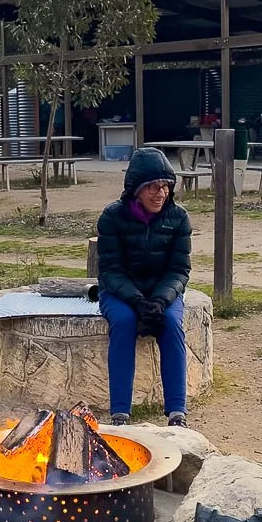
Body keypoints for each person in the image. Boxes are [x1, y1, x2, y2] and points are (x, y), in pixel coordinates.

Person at [96, 147, 192, 428]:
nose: (160, 193)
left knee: (171, 323)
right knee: (124, 322)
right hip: (121, 292)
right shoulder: (112, 217)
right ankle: (120, 414)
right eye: (152, 187)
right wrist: (137, 301)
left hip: (163, 291)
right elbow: (110, 271)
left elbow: (179, 270)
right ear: (135, 189)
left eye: (165, 186)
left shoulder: (179, 218)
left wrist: (161, 300)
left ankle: (177, 412)